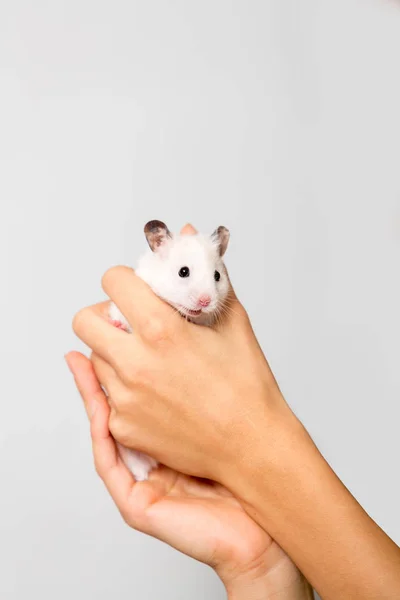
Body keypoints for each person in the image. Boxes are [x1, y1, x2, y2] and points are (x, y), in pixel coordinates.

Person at [67, 227, 400, 600]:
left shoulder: (209, 309)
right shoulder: (146, 277)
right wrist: (260, 569)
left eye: (214, 276)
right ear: (156, 244)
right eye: (184, 274)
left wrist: (241, 439)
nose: (205, 294)